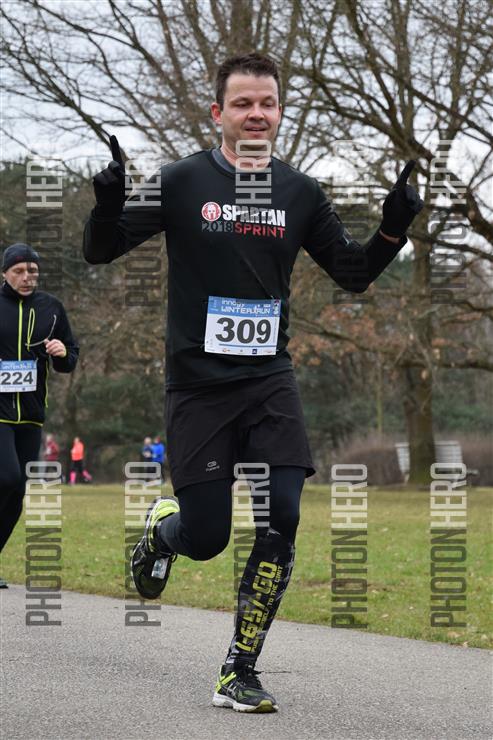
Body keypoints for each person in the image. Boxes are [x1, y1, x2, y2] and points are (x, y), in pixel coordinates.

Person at [83, 53, 423, 712]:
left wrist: (392, 228)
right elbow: (101, 250)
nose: (256, 114)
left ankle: (239, 667)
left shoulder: (300, 192)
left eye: (267, 103)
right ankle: (163, 533)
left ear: (280, 112)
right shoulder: (180, 181)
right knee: (207, 537)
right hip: (198, 387)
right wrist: (107, 205)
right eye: (242, 103)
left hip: (269, 381)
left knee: (283, 516)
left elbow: (353, 274)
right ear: (219, 113)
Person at [0, 243, 79, 581]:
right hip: (0, 413)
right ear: (4, 273)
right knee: (7, 477)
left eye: (32, 271)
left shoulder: (52, 308)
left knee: (17, 492)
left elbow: (70, 357)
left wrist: (61, 352)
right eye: (18, 271)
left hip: (31, 413)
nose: (26, 277)